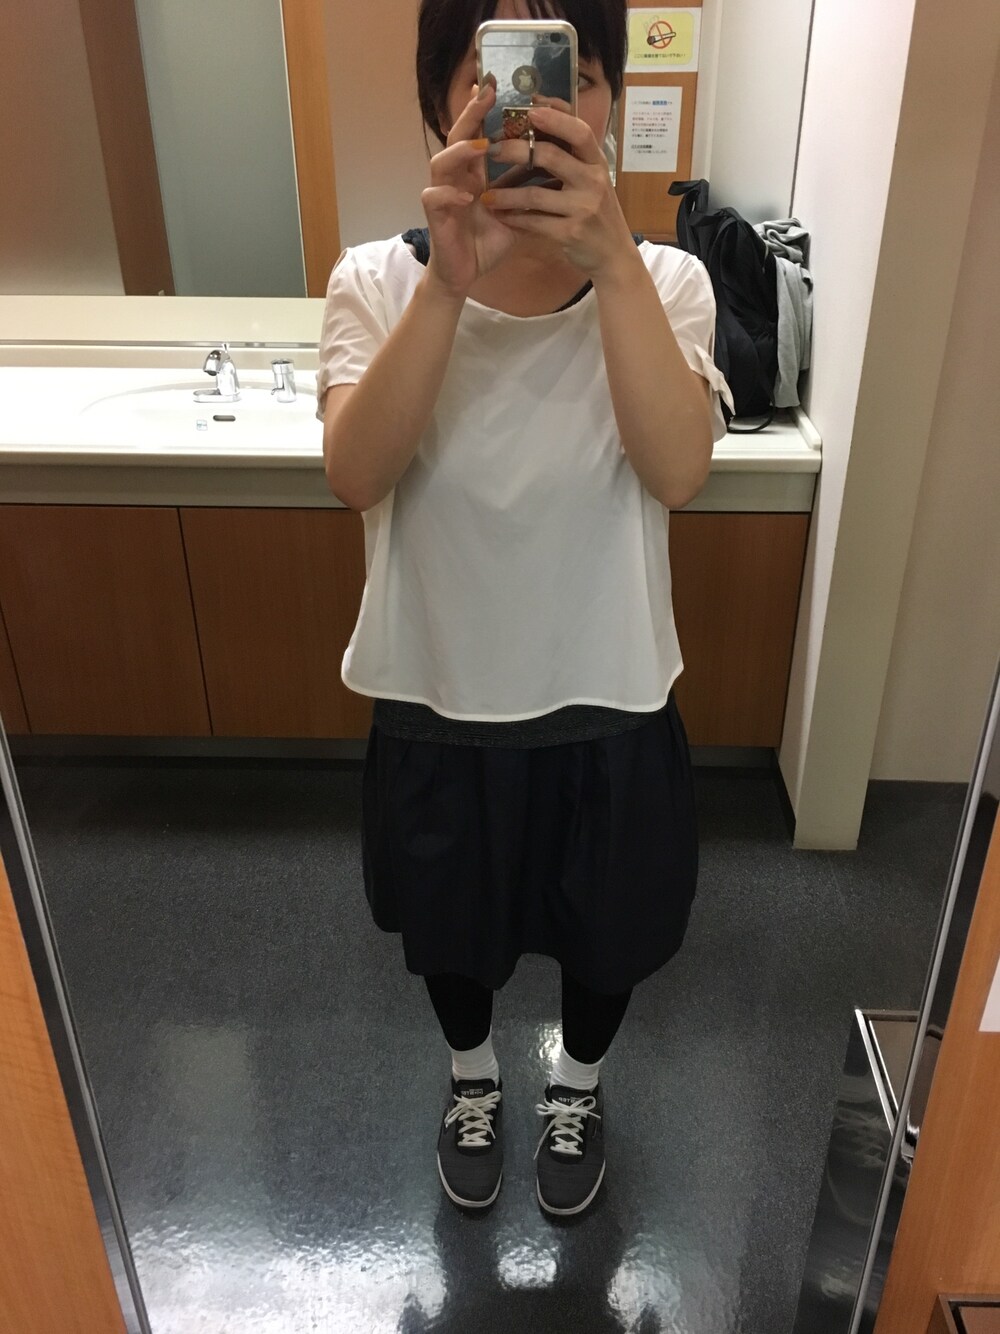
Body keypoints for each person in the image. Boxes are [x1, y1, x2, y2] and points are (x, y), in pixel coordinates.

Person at [316, 0, 733, 1218]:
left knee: (611, 935)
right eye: (493, 73)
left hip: (609, 687)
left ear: (608, 101)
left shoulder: (667, 280)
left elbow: (678, 468)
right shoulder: (376, 279)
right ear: (440, 100)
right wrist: (448, 285)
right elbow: (356, 472)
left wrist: (612, 264)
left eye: (578, 73)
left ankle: (578, 1083)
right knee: (448, 935)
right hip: (438, 689)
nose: (543, 104)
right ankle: (471, 1075)